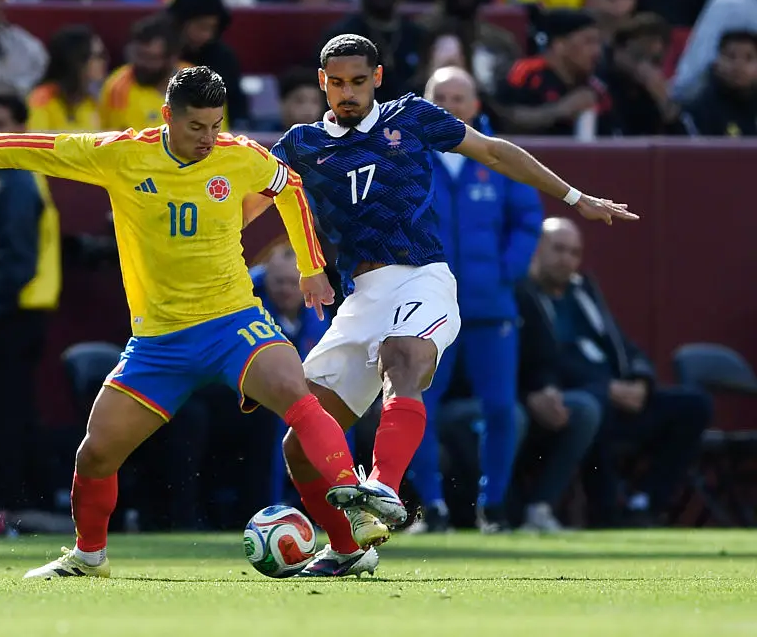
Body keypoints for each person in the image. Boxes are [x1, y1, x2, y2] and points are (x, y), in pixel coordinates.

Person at [0, 66, 389, 580]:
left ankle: (353, 516)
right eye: (196, 127)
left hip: (232, 323)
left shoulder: (240, 156)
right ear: (167, 116)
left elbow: (289, 186)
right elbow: (38, 148)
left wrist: (311, 267)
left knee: (298, 397)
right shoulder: (123, 155)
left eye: (215, 125)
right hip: (158, 343)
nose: (208, 138)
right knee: (95, 454)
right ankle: (89, 557)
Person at [245, 34, 636, 577]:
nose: (347, 92)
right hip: (359, 298)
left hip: (421, 278)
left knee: (402, 357)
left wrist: (575, 197)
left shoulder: (412, 117)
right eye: (336, 83)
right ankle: (347, 549)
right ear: (321, 82)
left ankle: (383, 486)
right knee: (299, 444)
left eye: (358, 81)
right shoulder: (301, 145)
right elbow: (246, 207)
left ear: (377, 78)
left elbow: (494, 152)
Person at [405, 67, 543, 534]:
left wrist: (507, 271)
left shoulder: (497, 154)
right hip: (428, 306)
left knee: (500, 408)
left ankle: (495, 505)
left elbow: (527, 219)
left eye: (458, 97)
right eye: (440, 97)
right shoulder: (409, 156)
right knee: (416, 405)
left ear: (476, 103)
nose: (449, 106)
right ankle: (432, 506)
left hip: (489, 305)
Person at [517, 218, 712, 528]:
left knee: (694, 405)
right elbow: (540, 361)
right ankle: (605, 514)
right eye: (559, 249)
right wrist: (605, 387)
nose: (567, 259)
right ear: (536, 249)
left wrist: (641, 381)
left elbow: (622, 344)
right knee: (595, 405)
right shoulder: (524, 296)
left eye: (574, 252)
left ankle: (644, 504)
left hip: (619, 396)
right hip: (572, 402)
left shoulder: (584, 293)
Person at [0, 94, 62, 534]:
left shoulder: (13, 181)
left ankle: (4, 509)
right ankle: (21, 508)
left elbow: (15, 261)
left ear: (22, 127)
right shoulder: (15, 176)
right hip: (19, 316)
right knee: (14, 414)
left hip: (8, 319)